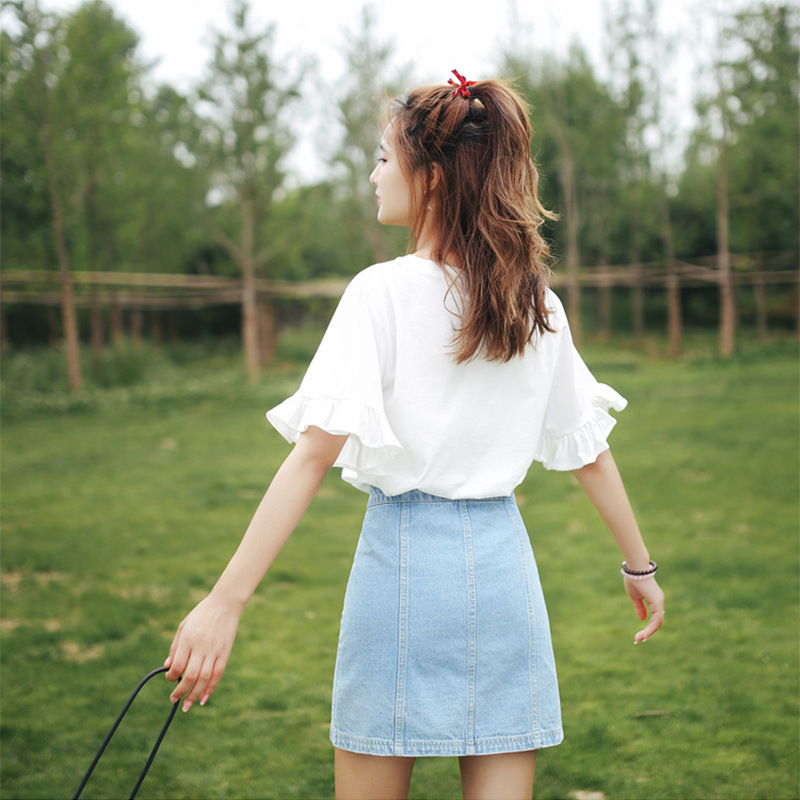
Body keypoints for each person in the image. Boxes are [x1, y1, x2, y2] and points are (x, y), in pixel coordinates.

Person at [165, 70, 665, 800]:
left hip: (400, 574)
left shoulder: (380, 292)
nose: (373, 175)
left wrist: (225, 602)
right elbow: (590, 453)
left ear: (431, 176)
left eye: (382, 158)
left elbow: (311, 459)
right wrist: (639, 568)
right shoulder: (534, 303)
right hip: (504, 578)